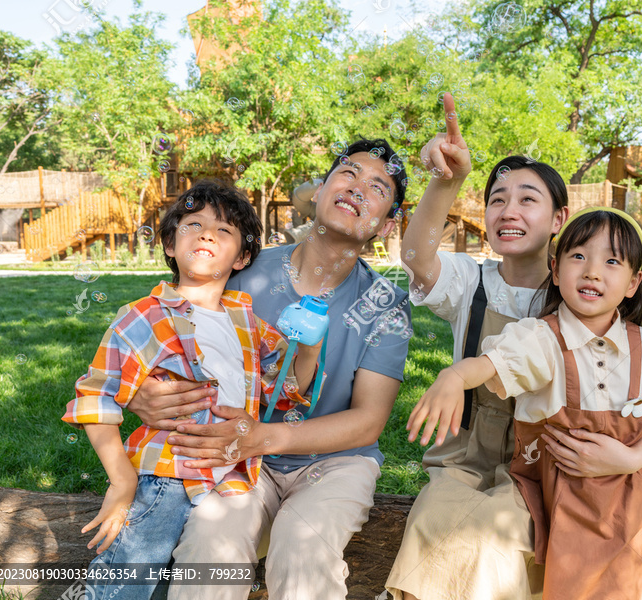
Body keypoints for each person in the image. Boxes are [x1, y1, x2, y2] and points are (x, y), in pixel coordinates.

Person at [386, 94, 642, 600]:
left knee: (494, 539)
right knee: (434, 521)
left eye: (527, 198)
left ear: (559, 217)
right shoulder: (468, 282)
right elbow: (415, 256)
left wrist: (634, 456)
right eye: (497, 198)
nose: (508, 210)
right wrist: (447, 181)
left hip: (548, 462)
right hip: (465, 454)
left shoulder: (583, 296)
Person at [407, 207, 642, 599]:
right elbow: (491, 363)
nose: (592, 271)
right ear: (555, 272)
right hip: (545, 495)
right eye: (578, 256)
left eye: (612, 261)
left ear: (633, 282)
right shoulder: (541, 339)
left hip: (619, 507)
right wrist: (454, 376)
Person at [124, 139, 412, 600]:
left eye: (377, 186)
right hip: (237, 456)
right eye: (349, 173)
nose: (358, 188)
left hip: (335, 463)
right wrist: (140, 392)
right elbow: (167, 338)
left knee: (304, 549)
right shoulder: (246, 271)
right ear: (318, 192)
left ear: (388, 223)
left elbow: (368, 421)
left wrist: (267, 436)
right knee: (209, 546)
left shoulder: (386, 305)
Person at [62, 181, 320, 600]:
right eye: (193, 224)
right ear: (169, 243)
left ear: (243, 257)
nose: (206, 234)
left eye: (223, 231)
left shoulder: (248, 323)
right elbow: (96, 396)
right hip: (167, 476)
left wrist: (310, 346)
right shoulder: (146, 316)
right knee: (125, 582)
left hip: (229, 478)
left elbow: (286, 389)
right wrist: (122, 480)